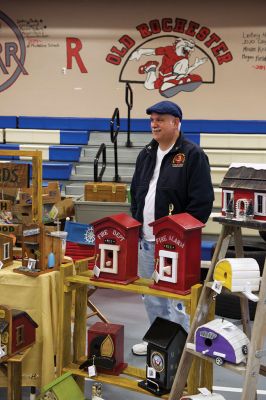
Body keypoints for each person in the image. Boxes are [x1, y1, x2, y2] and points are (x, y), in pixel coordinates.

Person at [130, 100, 214, 356]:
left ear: (176, 123)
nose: (154, 124)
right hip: (145, 240)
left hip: (176, 244)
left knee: (176, 300)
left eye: (161, 119)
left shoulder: (192, 155)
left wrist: (182, 234)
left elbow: (202, 202)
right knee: (151, 295)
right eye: (152, 119)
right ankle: (157, 339)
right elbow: (135, 193)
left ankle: (180, 347)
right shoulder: (145, 153)